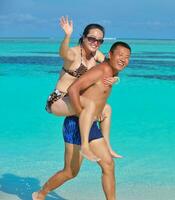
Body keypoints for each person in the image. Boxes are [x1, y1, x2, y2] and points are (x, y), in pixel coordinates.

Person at [33, 41, 131, 200]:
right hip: (75, 123)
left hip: (90, 123)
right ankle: (40, 194)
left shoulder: (112, 72)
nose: (123, 59)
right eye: (120, 55)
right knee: (70, 172)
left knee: (108, 165)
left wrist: (116, 79)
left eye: (127, 57)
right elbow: (73, 89)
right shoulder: (101, 70)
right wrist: (82, 113)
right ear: (110, 55)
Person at [46, 16, 121, 160]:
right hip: (58, 100)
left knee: (107, 109)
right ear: (83, 37)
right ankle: (85, 147)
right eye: (92, 38)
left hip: (75, 100)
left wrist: (116, 79)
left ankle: (107, 147)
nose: (95, 42)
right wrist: (67, 35)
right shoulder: (74, 53)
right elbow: (63, 53)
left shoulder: (96, 55)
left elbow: (112, 66)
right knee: (90, 105)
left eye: (99, 41)